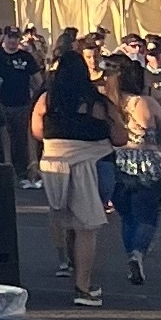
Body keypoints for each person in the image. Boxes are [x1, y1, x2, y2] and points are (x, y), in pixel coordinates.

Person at [31, 35, 116, 306]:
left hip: (53, 163)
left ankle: (68, 267)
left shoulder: (47, 99)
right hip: (87, 164)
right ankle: (83, 286)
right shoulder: (95, 101)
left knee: (63, 217)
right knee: (87, 227)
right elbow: (119, 136)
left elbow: (36, 131)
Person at [103, 52, 161, 288]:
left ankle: (131, 254)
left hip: (117, 161)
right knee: (147, 215)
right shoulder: (146, 102)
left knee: (127, 216)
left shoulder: (107, 103)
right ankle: (137, 253)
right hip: (147, 162)